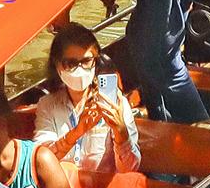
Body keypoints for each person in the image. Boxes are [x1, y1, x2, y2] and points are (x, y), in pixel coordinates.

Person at [34, 25, 142, 177]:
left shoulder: (116, 104)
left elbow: (129, 169)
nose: (80, 70)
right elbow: (40, 161)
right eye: (70, 64)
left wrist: (121, 132)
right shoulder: (47, 105)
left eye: (86, 61)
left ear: (96, 61)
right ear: (57, 65)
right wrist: (77, 132)